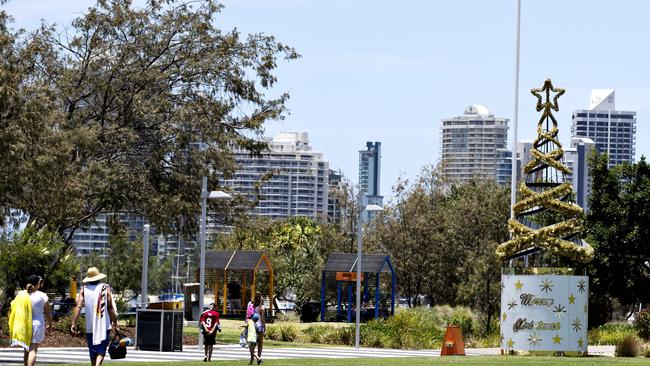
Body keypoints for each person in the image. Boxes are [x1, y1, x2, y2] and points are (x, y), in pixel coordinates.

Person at [70, 267, 118, 366]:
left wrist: (73, 322)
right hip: (103, 325)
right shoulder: (105, 288)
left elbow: (78, 306)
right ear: (98, 277)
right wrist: (115, 322)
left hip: (90, 326)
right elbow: (110, 307)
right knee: (101, 351)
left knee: (92, 352)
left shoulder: (84, 289)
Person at [9, 275, 53, 366]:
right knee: (33, 350)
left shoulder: (21, 294)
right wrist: (50, 324)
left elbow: (13, 307)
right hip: (38, 324)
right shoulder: (42, 295)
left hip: (25, 324)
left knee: (26, 350)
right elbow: (48, 312)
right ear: (37, 284)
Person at [253, 292, 266, 365]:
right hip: (260, 325)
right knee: (260, 343)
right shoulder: (262, 307)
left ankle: (255, 357)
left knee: (253, 343)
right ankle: (259, 357)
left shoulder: (252, 306)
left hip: (253, 325)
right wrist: (265, 329)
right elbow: (263, 319)